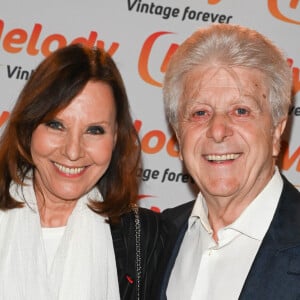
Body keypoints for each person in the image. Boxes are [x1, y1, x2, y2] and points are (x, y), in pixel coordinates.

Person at [0, 43, 163, 300]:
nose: (73, 151)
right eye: (56, 125)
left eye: (94, 130)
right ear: (29, 127)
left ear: (116, 139)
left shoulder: (144, 238)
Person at [155, 24, 300, 299]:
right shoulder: (154, 240)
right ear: (178, 133)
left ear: (277, 131)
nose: (218, 130)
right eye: (200, 112)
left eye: (241, 110)